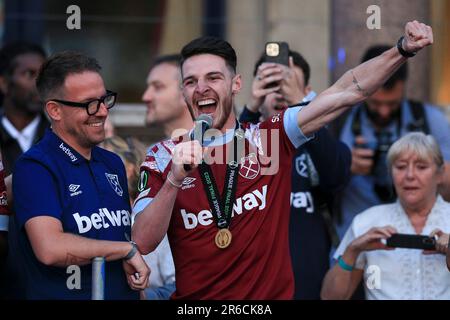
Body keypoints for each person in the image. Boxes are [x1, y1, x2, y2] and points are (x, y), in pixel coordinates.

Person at [132, 21, 433, 299]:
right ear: (184, 90)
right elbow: (142, 241)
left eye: (213, 77)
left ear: (236, 84)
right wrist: (173, 180)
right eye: (191, 81)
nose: (201, 88)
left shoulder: (268, 139)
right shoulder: (163, 156)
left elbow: (347, 91)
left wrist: (402, 49)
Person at [12, 51, 149, 299]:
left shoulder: (113, 163)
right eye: (89, 104)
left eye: (104, 99)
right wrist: (125, 250)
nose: (102, 112)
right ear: (54, 110)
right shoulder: (35, 166)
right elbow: (50, 249)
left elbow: (123, 238)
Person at [239, 49, 351, 299]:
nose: (280, 92)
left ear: (307, 89)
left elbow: (337, 175)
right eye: (271, 84)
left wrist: (302, 103)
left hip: (308, 288)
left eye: (288, 83)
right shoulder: (246, 140)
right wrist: (249, 109)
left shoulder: (323, 144)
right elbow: (224, 174)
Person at [335, 44, 450, 240]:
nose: (384, 112)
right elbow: (313, 185)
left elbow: (447, 179)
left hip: (418, 237)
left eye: (392, 104)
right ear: (362, 88)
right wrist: (344, 163)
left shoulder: (429, 119)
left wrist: (424, 167)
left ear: (404, 87)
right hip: (352, 234)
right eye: (375, 103)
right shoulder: (338, 122)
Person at [321, 132, 450, 300]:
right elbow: (330, 298)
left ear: (440, 174)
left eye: (421, 166)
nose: (410, 175)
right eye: (401, 166)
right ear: (390, 174)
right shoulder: (367, 221)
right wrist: (352, 251)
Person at [138, 54, 194, 299]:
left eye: (157, 87)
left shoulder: (221, 154)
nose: (146, 96)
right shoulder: (154, 155)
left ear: (186, 92)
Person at [0, 42, 49, 175]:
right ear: (4, 83)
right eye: (29, 74)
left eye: (44, 75)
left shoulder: (60, 137)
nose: (40, 83)